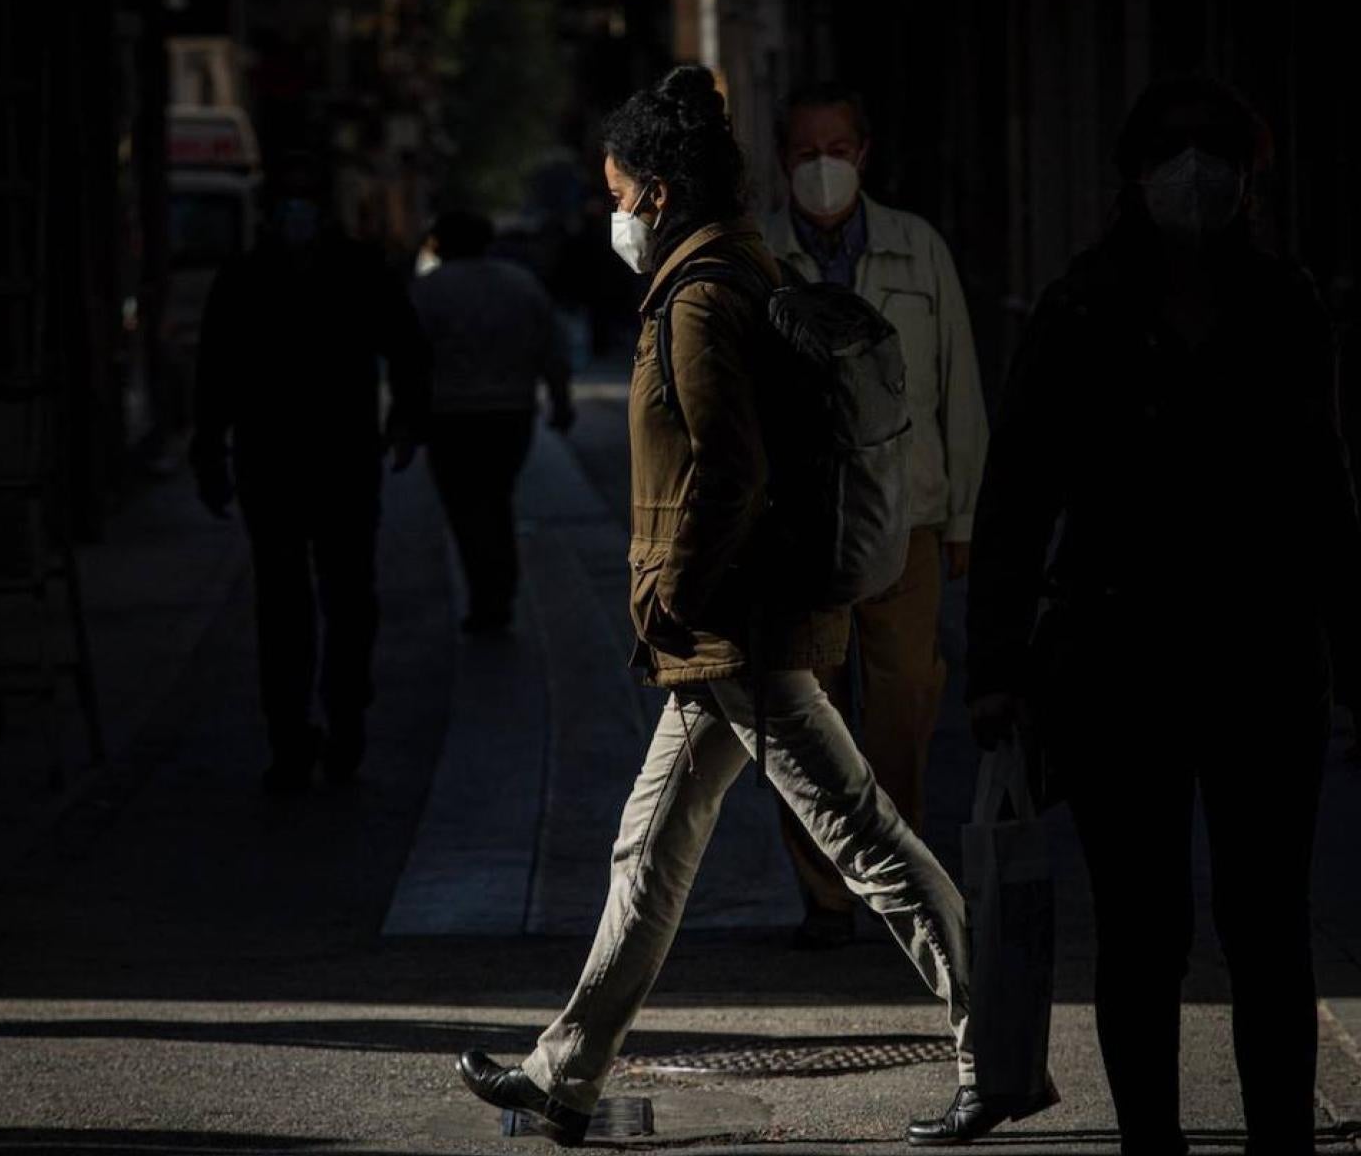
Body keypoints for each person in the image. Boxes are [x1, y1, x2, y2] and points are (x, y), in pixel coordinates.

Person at [455, 66, 1042, 1148]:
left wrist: (672, 592)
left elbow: (731, 467)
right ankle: (566, 1071)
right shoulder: (733, 269)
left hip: (740, 633)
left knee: (869, 844)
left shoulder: (699, 298)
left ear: (661, 195)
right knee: (649, 851)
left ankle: (997, 1053)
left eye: (622, 193)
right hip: (724, 636)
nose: (615, 214)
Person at [964, 74, 1361, 1156]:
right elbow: (1017, 492)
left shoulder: (1285, 304)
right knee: (1141, 931)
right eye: (1175, 152)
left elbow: (1323, 483)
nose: (1195, 175)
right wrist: (997, 663)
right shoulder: (1080, 307)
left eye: (1218, 154)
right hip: (1119, 658)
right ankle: (1151, 1141)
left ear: (1249, 179)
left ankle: (1279, 1140)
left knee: (1267, 927)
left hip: (1262, 654)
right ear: (1135, 174)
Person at [760, 82, 989, 950]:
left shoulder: (916, 249)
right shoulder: (757, 254)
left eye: (839, 149)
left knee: (903, 706)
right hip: (797, 526)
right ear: (783, 160)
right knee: (805, 713)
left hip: (908, 517)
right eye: (806, 151)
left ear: (865, 152)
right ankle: (825, 896)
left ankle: (893, 875)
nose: (824, 167)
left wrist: (964, 515)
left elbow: (955, 386)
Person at [190, 154, 427, 793]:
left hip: (339, 460)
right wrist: (209, 453)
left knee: (344, 597)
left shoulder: (354, 270)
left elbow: (404, 346)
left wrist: (406, 419)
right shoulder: (245, 277)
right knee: (285, 603)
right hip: (273, 462)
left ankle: (343, 719)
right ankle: (291, 732)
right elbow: (213, 374)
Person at [410, 209, 575, 634]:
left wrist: (404, 423)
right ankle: (500, 592)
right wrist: (560, 400)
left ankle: (486, 595)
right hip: (510, 413)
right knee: (497, 500)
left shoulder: (428, 292)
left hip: (450, 417)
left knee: (465, 510)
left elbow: (410, 363)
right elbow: (551, 348)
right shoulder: (520, 285)